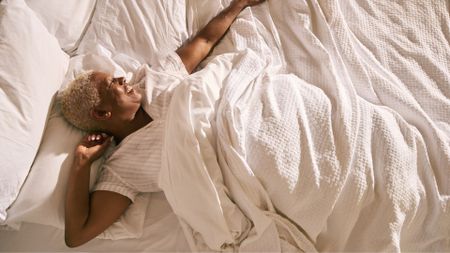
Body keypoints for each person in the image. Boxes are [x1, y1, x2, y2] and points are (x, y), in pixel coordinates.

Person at [59, 0, 266, 248]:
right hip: (240, 167)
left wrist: (238, 4)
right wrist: (81, 164)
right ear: (102, 113)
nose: (123, 77)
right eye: (112, 83)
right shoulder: (123, 168)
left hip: (246, 112)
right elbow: (77, 235)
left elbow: (203, 42)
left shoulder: (155, 78)